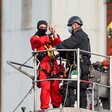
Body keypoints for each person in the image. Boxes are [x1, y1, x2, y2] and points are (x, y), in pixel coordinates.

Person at [49, 16, 91, 109]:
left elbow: (68, 43)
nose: (69, 28)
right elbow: (69, 50)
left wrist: (56, 47)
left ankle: (70, 107)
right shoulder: (82, 36)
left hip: (77, 67)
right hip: (83, 66)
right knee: (82, 87)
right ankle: (82, 108)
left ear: (75, 25)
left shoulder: (79, 35)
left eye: (70, 26)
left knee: (71, 85)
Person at [30, 20, 63, 110]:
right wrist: (48, 36)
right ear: (38, 27)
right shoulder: (34, 38)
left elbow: (58, 43)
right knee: (45, 89)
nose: (43, 29)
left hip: (54, 65)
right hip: (44, 65)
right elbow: (38, 42)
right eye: (41, 27)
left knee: (55, 88)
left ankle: (57, 108)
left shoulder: (49, 38)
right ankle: (44, 109)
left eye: (45, 27)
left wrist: (53, 33)